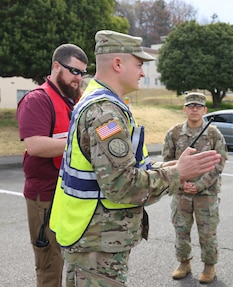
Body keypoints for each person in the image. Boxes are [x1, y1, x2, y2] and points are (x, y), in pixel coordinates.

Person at [49, 30, 221, 286]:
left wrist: (170, 166)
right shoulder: (104, 112)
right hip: (96, 241)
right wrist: (177, 174)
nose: (142, 72)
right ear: (118, 64)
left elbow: (120, 169)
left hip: (91, 236)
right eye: (139, 64)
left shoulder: (100, 102)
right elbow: (121, 184)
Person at [17, 43, 88, 287]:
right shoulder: (37, 100)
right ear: (56, 66)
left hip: (73, 194)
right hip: (46, 196)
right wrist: (80, 142)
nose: (78, 78)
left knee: (78, 263)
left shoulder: (77, 101)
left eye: (82, 73)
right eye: (74, 71)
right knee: (50, 266)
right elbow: (35, 145)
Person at [162, 92, 228, 284]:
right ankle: (184, 263)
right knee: (181, 230)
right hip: (181, 192)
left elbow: (219, 163)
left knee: (207, 232)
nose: (194, 109)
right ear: (184, 109)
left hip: (206, 193)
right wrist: (182, 182)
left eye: (198, 106)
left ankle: (209, 266)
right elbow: (167, 162)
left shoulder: (214, 133)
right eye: (190, 106)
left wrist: (198, 185)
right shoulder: (174, 133)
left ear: (205, 110)